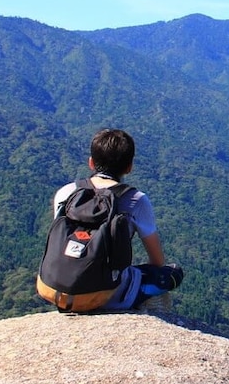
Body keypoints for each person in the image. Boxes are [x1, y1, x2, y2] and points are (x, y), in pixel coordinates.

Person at [49, 128, 182, 311]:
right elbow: (157, 261)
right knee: (172, 273)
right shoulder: (135, 200)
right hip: (108, 295)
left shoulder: (66, 193)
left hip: (57, 291)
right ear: (129, 167)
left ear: (91, 163)